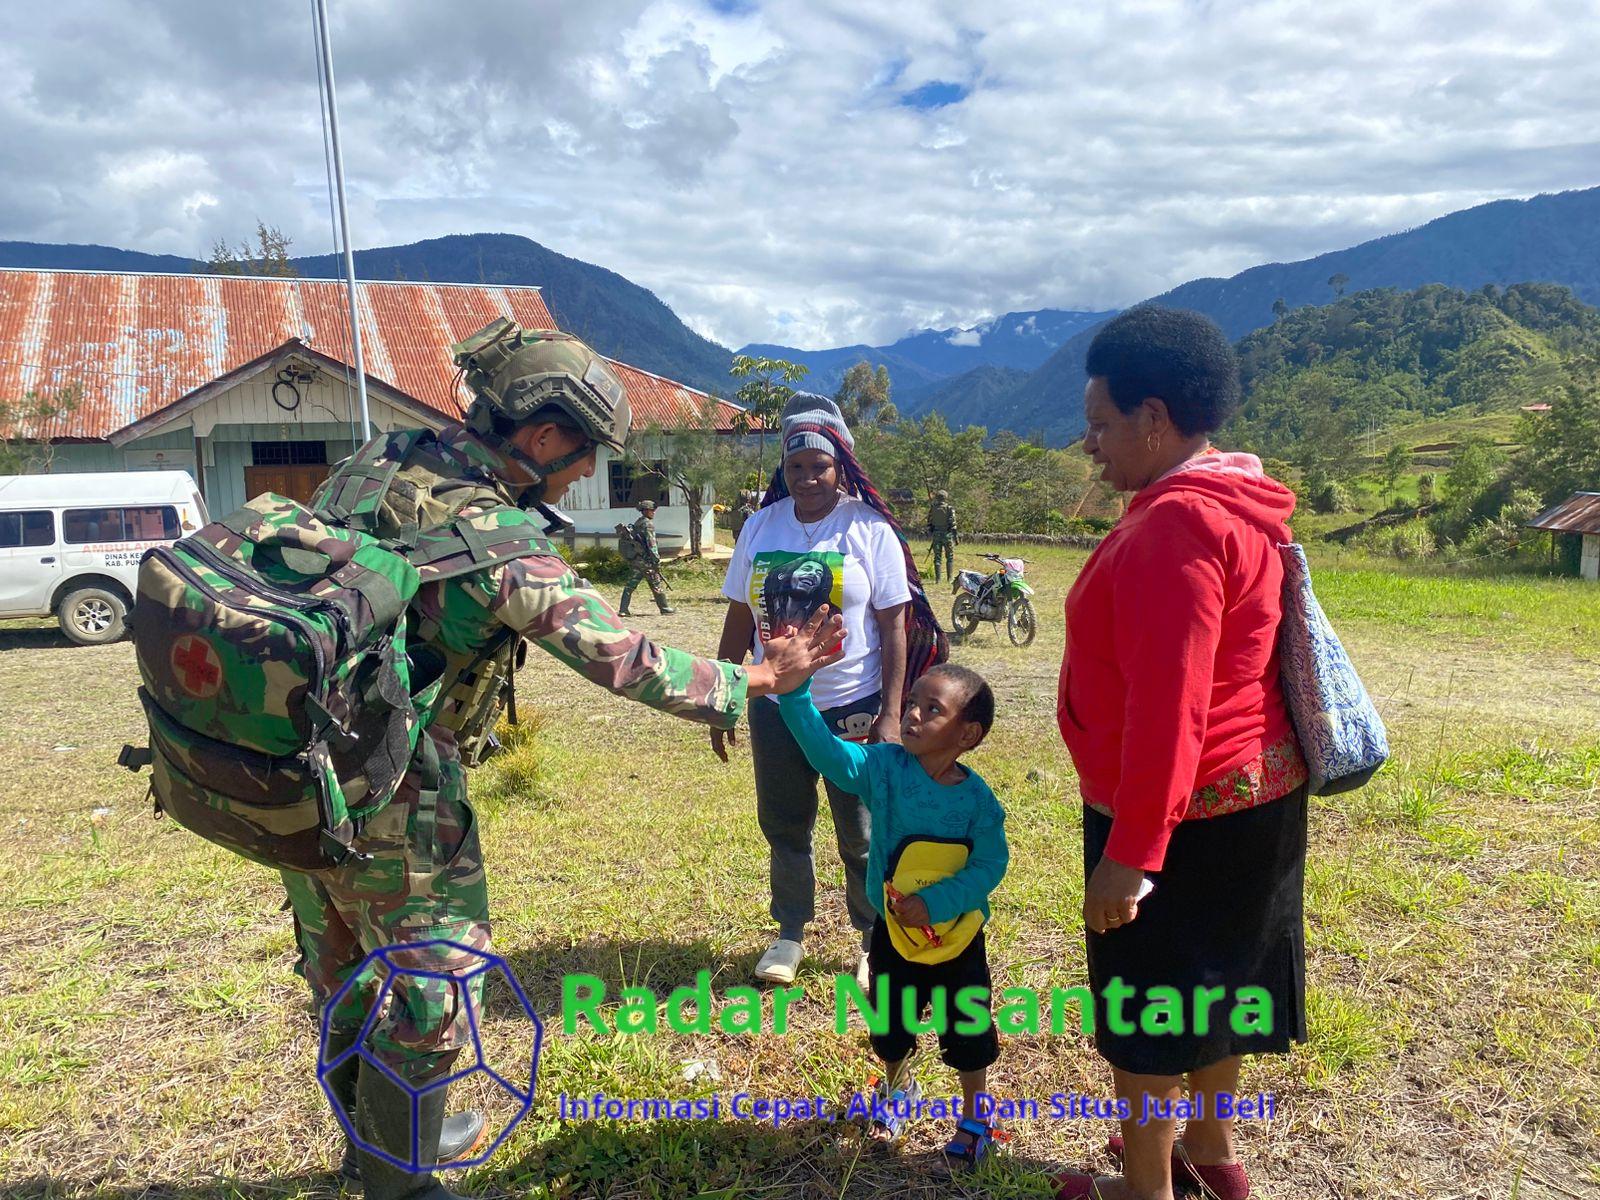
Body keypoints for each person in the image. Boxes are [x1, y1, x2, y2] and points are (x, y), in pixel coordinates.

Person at [289, 320, 844, 1200]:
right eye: (586, 455)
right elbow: (623, 658)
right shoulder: (498, 541)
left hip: (302, 773)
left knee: (344, 970)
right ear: (543, 436)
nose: (589, 473)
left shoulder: (379, 461)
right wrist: (755, 680)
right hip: (399, 790)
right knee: (431, 988)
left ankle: (385, 1141)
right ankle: (402, 1182)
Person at [1052, 306, 1308, 1200]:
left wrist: (1130, 856)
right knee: (1219, 992)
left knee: (1154, 1010)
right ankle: (1212, 1155)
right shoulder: (1239, 498)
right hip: (1251, 797)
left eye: (1100, 423)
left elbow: (1171, 706)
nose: (1090, 443)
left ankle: (1147, 1186)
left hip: (1177, 812)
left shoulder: (1174, 528)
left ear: (1153, 418)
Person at [713, 392, 947, 988]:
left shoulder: (868, 529)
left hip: (855, 710)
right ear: (782, 470)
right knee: (785, 823)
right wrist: (724, 696)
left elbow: (895, 626)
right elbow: (740, 616)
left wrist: (891, 715)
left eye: (819, 466)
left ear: (840, 464)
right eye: (796, 467)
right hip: (776, 707)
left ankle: (872, 939)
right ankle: (790, 932)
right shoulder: (762, 526)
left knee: (862, 831)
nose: (808, 478)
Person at [776, 661, 1008, 1167]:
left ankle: (976, 1115)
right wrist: (795, 696)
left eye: (932, 709)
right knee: (891, 1024)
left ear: (968, 734)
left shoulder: (978, 802)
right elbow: (828, 755)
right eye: (911, 704)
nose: (913, 715)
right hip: (893, 933)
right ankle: (898, 1087)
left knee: (967, 1029)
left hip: (958, 939)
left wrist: (938, 901)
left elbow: (992, 865)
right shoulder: (884, 769)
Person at [618, 498, 674, 615]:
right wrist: (656, 560)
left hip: (637, 559)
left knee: (630, 584)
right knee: (656, 583)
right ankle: (664, 608)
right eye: (652, 510)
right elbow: (651, 544)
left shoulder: (638, 522)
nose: (654, 512)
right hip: (647, 561)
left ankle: (623, 609)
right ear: (646, 511)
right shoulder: (648, 524)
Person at [926, 489, 958, 582]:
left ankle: (938, 579)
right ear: (945, 498)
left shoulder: (933, 508)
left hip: (936, 534)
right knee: (950, 556)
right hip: (947, 535)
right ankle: (950, 578)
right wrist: (955, 537)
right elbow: (953, 524)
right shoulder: (949, 508)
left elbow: (929, 522)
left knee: (937, 557)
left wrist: (932, 532)